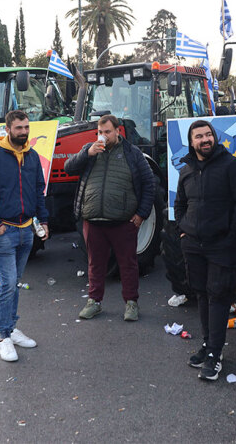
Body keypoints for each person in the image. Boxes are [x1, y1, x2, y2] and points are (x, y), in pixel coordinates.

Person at [174, 120, 236, 381]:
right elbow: (180, 204)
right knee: (201, 294)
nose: (205, 139)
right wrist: (184, 231)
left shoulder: (233, 166)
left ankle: (215, 355)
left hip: (222, 245)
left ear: (214, 138)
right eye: (199, 136)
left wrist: (233, 236)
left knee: (218, 297)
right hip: (193, 245)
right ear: (192, 142)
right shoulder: (186, 170)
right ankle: (209, 346)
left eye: (208, 135)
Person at [64, 114, 156, 322]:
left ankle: (131, 303)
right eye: (100, 132)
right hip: (93, 220)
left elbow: (148, 183)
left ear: (117, 131)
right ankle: (94, 302)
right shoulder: (90, 150)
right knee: (95, 264)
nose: (103, 136)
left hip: (123, 222)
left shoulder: (132, 154)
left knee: (128, 264)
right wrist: (87, 153)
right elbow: (69, 167)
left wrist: (142, 214)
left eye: (107, 132)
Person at [0, 110, 49, 362]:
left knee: (15, 281)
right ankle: (3, 337)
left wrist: (43, 221)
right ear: (8, 129)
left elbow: (39, 191)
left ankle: (12, 328)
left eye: (26, 127)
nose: (24, 132)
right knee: (7, 283)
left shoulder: (33, 156)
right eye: (19, 128)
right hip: (4, 231)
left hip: (27, 231)